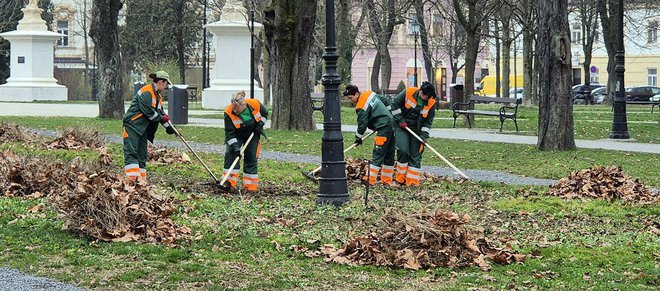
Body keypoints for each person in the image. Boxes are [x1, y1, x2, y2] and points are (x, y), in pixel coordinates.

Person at [123, 71, 176, 180]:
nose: (166, 87)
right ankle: (132, 180)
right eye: (166, 84)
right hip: (132, 125)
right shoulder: (146, 92)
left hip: (142, 128)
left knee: (142, 155)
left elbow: (161, 113)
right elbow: (150, 113)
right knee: (132, 152)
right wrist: (162, 118)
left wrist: (169, 127)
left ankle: (142, 181)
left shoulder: (158, 97)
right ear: (161, 82)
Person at [343, 85, 396, 186]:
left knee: (378, 153)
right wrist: (389, 114)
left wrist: (358, 138)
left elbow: (362, 125)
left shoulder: (361, 106)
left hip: (383, 128)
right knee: (389, 153)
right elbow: (385, 100)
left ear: (356, 94)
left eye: (351, 98)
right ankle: (386, 180)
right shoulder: (369, 94)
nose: (351, 101)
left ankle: (369, 180)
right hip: (391, 125)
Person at [390, 81, 437, 186]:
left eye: (429, 97)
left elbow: (428, 121)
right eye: (426, 96)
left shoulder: (431, 102)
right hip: (401, 126)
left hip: (417, 130)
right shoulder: (408, 92)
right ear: (421, 92)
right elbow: (394, 105)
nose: (427, 99)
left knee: (415, 154)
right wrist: (400, 120)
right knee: (403, 150)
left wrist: (424, 136)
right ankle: (400, 179)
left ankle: (412, 182)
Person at [223, 91, 268, 192]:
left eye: (236, 108)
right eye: (233, 107)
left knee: (251, 156)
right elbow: (230, 134)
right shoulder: (228, 112)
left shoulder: (255, 104)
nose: (234, 110)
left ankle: (251, 186)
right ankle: (229, 183)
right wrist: (235, 148)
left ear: (243, 105)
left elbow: (265, 113)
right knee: (231, 154)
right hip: (236, 135)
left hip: (253, 133)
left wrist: (260, 125)